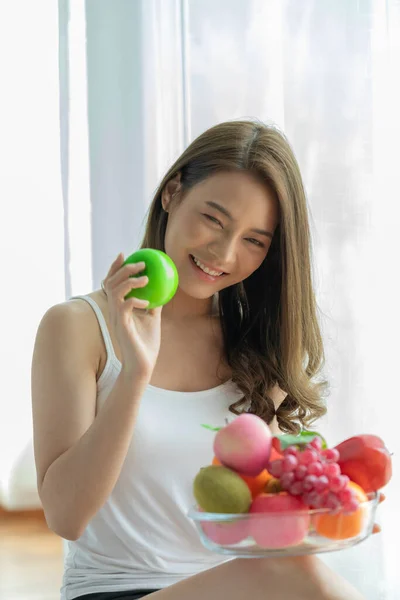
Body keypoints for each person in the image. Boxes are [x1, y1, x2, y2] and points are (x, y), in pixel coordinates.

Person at [31, 120, 368, 600]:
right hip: (117, 591)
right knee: (296, 576)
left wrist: (332, 512)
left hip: (240, 586)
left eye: (255, 240)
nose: (224, 252)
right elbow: (65, 517)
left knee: (294, 569)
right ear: (172, 193)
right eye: (214, 219)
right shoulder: (78, 327)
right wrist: (135, 374)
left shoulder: (255, 350)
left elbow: (262, 528)